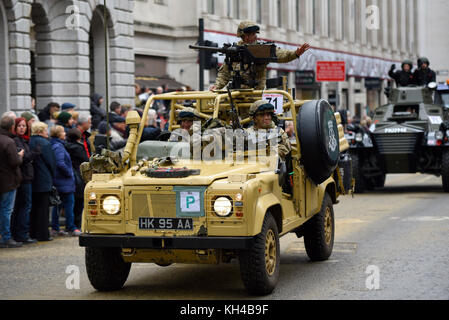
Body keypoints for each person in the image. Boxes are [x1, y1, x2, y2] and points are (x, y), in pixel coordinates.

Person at [211, 21, 310, 90]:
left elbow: (280, 54)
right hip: (237, 95)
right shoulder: (234, 51)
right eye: (252, 34)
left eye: (255, 34)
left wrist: (295, 53)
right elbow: (224, 73)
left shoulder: (261, 49)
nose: (255, 36)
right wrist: (217, 86)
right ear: (244, 36)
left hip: (256, 96)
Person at [49, 125, 81, 237]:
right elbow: (60, 163)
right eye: (63, 132)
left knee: (58, 206)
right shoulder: (58, 147)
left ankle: (56, 228)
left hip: (60, 181)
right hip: (64, 181)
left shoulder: (56, 145)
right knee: (68, 205)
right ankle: (71, 227)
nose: (65, 134)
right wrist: (69, 173)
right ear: (58, 134)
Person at [11, 118, 37, 244]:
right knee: (25, 206)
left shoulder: (24, 140)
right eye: (19, 126)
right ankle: (22, 233)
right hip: (23, 178)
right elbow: (24, 157)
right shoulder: (16, 140)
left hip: (26, 177)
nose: (22, 128)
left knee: (22, 206)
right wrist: (34, 154)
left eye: (24, 126)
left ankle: (20, 233)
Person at [29, 122, 56, 241]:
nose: (47, 132)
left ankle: (33, 233)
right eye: (45, 130)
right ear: (40, 131)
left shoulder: (30, 141)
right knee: (43, 209)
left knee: (34, 208)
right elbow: (51, 162)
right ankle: (43, 234)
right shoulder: (45, 143)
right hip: (44, 179)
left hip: (32, 178)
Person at [0, 114, 24, 248]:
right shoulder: (9, 142)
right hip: (8, 180)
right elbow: (14, 162)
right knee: (6, 210)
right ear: (12, 127)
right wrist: (19, 156)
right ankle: (6, 237)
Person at [65, 128, 89, 229]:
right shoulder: (78, 148)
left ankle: (73, 223)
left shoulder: (66, 146)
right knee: (79, 202)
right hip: (78, 175)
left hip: (73, 175)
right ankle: (77, 224)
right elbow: (86, 160)